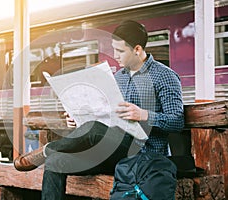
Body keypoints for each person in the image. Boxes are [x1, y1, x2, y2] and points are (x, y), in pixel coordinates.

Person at [14, 20, 184, 199]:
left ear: (137, 49)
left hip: (144, 156)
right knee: (56, 162)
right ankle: (51, 152)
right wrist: (77, 118)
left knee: (93, 128)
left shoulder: (164, 76)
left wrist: (143, 115)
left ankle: (49, 148)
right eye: (113, 49)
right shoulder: (118, 77)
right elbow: (105, 113)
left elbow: (177, 121)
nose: (115, 55)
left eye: (120, 51)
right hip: (112, 153)